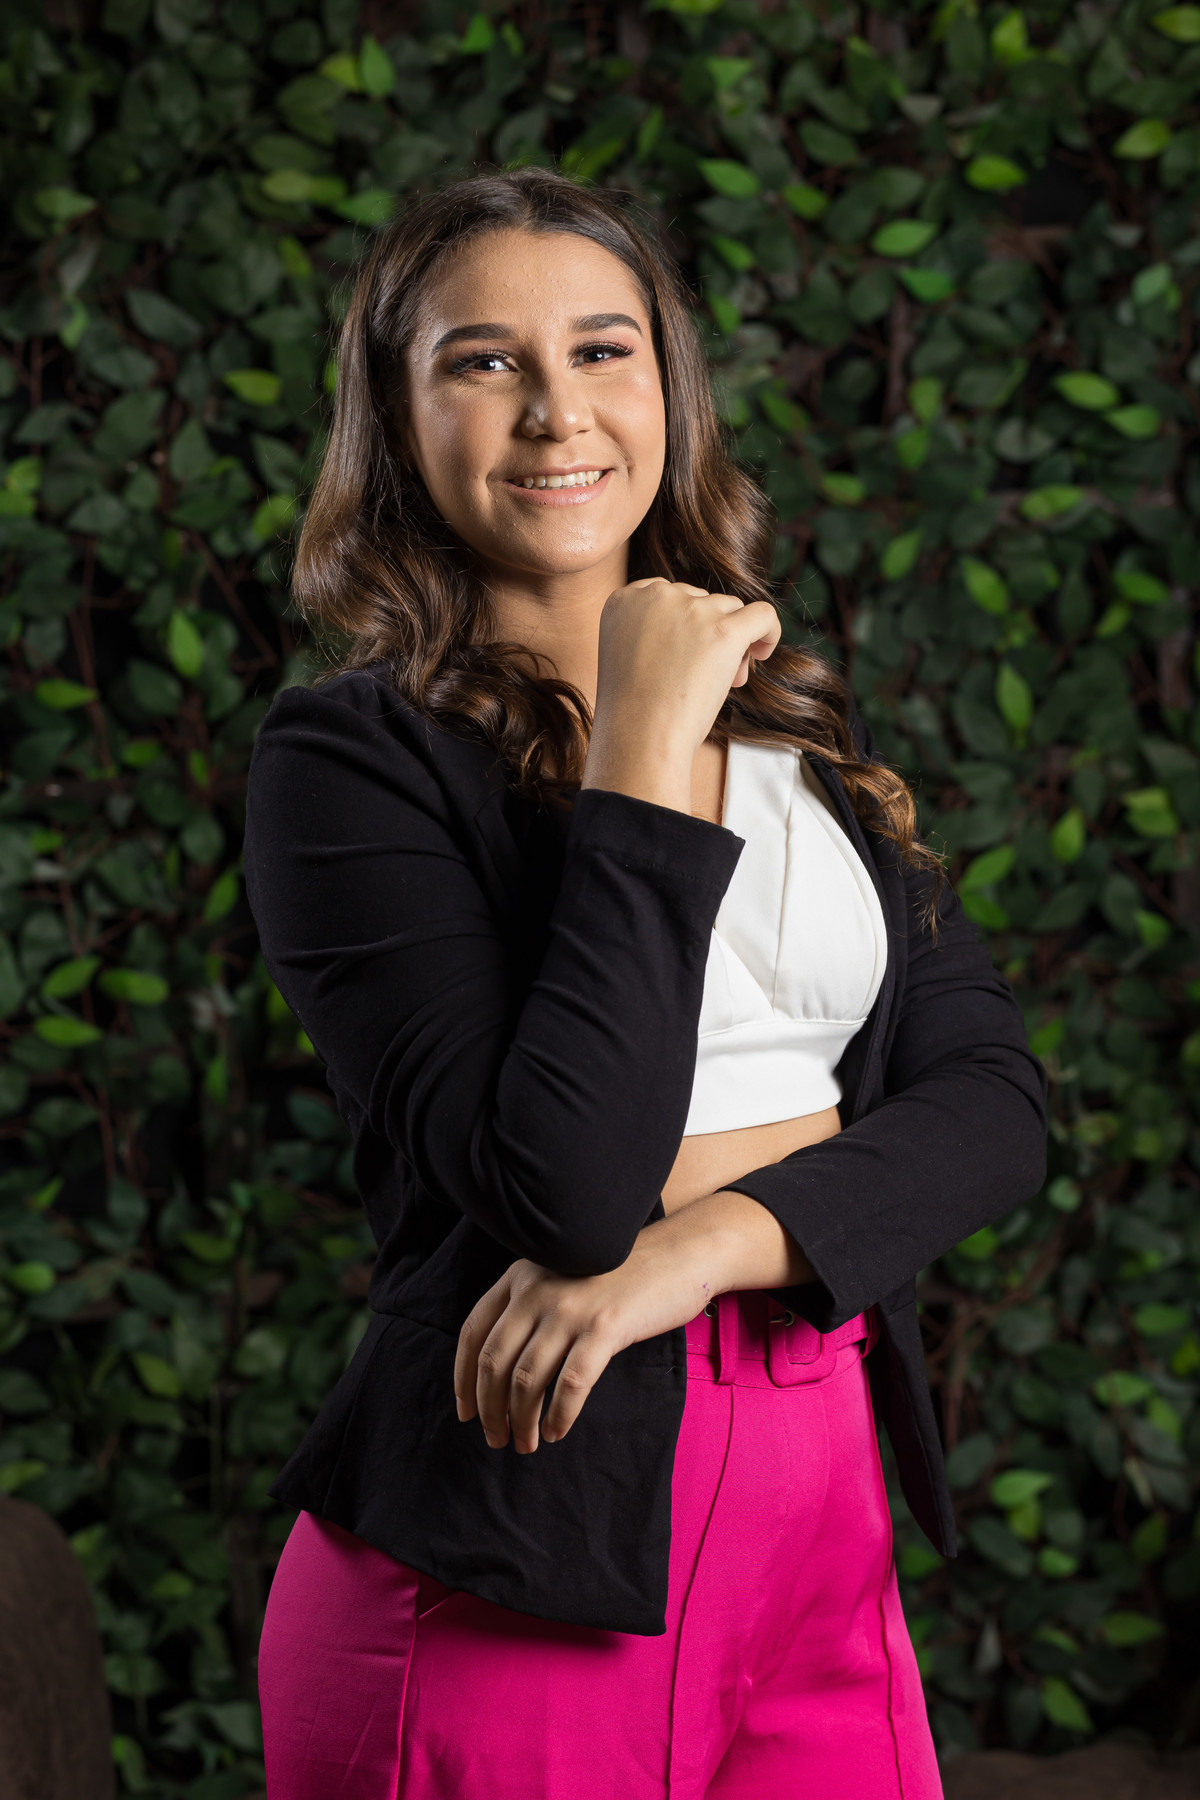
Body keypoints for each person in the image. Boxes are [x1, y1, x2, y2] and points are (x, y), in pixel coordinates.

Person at [246, 168, 1047, 1800]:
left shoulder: (793, 716)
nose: (557, 413)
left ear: (668, 389)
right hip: (521, 1540)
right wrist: (634, 748)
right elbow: (568, 1181)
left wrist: (690, 1255)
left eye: (604, 351)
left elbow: (992, 1109)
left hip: (823, 1520)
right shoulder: (349, 762)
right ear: (397, 420)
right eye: (484, 361)